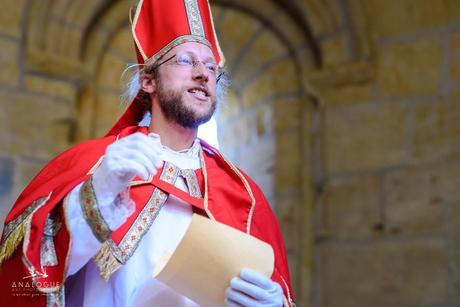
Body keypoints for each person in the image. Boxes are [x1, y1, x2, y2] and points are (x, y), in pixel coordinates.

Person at [0, 0, 295, 306]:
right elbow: (27, 275)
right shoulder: (101, 164)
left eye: (210, 66)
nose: (202, 74)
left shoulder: (243, 194)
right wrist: (96, 195)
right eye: (185, 60)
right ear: (148, 81)